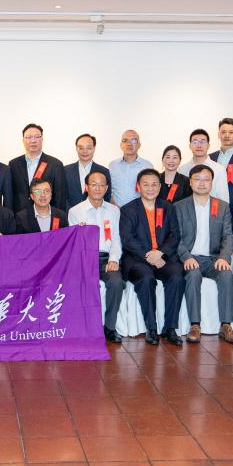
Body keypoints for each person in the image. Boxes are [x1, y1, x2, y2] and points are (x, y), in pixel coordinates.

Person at [120, 169, 184, 346]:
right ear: (138, 187)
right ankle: (151, 328)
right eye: (146, 184)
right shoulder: (128, 209)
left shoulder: (168, 207)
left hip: (162, 257)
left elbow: (175, 235)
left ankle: (170, 328)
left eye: (154, 184)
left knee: (177, 276)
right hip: (137, 259)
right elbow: (127, 239)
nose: (150, 188)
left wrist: (160, 252)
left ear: (160, 186)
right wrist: (148, 255)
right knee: (146, 278)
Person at [174, 164, 233, 343]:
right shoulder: (179, 206)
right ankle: (195, 325)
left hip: (213, 259)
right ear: (190, 182)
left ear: (212, 182)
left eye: (206, 180)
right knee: (193, 275)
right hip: (190, 257)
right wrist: (186, 257)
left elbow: (228, 236)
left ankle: (226, 325)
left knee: (226, 274)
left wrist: (224, 258)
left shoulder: (222, 206)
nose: (202, 183)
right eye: (197, 179)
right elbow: (175, 237)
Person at [67, 170, 125, 343]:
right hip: (85, 259)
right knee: (84, 284)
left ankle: (110, 327)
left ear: (107, 188)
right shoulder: (75, 211)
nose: (98, 188)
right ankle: (87, 327)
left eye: (101, 185)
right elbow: (74, 243)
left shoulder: (114, 211)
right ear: (86, 187)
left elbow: (116, 238)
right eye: (94, 184)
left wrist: (114, 259)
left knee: (116, 283)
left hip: (107, 258)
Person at [9, 123, 68, 212]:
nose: (33, 141)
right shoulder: (13, 164)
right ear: (23, 140)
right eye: (29, 137)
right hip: (20, 216)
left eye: (37, 137)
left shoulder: (55, 164)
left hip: (46, 215)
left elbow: (60, 197)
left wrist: (57, 217)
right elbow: (10, 195)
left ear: (42, 139)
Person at [179, 129, 229, 201]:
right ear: (190, 146)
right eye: (195, 142)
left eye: (202, 142)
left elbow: (223, 199)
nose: (199, 145)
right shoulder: (182, 169)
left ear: (208, 145)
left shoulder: (219, 169)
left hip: (212, 207)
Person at [63, 133, 110, 209]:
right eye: (81, 148)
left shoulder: (104, 171)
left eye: (88, 148)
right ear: (76, 149)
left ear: (94, 149)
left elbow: (107, 197)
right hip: (70, 213)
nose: (85, 151)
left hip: (96, 214)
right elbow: (62, 196)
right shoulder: (65, 170)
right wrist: (70, 212)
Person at [108, 130, 153, 206]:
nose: (129, 144)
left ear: (139, 145)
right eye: (125, 140)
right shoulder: (112, 165)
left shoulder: (147, 166)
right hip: (115, 210)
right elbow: (107, 188)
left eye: (133, 140)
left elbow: (151, 191)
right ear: (121, 145)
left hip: (139, 210)